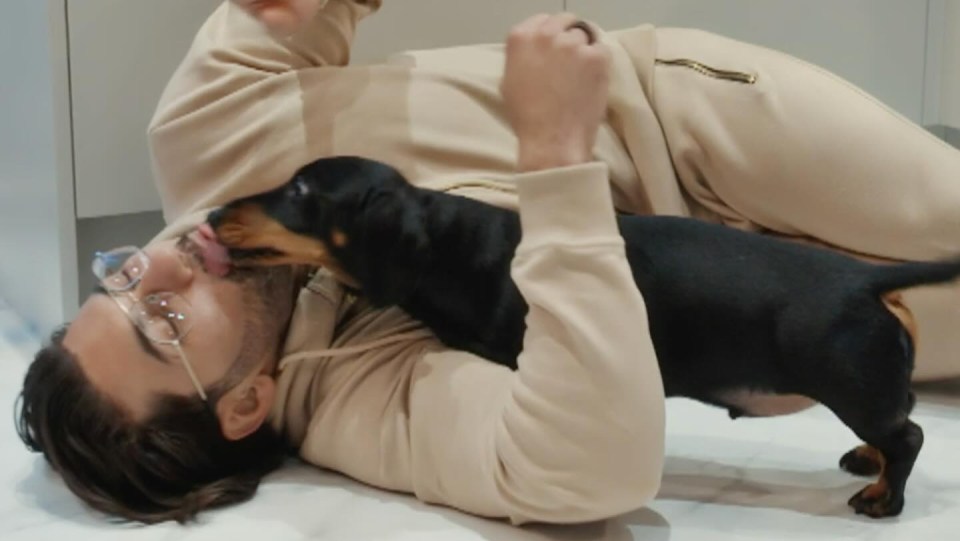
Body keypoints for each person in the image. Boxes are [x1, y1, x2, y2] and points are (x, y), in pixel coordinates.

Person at [16, 0, 960, 525]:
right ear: (243, 405)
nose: (164, 265)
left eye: (122, 275)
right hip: (751, 327)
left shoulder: (201, 140)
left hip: (688, 130)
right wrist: (556, 160)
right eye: (162, 324)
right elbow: (590, 474)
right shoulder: (358, 401)